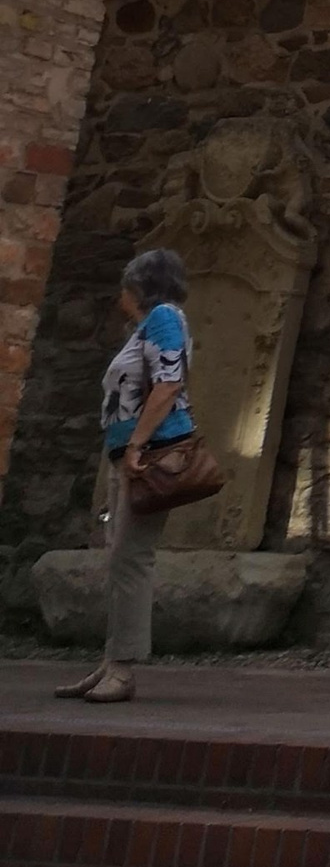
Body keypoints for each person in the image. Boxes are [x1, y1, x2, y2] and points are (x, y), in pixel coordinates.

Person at [56, 247, 196, 702]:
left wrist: (136, 443)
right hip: (128, 455)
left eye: (125, 283)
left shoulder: (164, 318)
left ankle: (122, 669)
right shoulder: (145, 326)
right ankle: (111, 662)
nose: (120, 292)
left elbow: (169, 382)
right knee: (119, 557)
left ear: (138, 286)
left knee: (130, 557)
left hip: (149, 455)